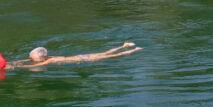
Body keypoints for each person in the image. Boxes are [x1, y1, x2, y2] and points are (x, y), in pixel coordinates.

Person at [7, 42, 142, 68]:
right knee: (105, 52)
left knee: (110, 56)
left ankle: (132, 50)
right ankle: (124, 45)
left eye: (34, 60)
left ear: (43, 58)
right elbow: (27, 60)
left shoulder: (49, 61)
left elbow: (27, 67)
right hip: (81, 56)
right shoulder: (48, 57)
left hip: (85, 59)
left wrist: (14, 67)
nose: (32, 61)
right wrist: (12, 62)